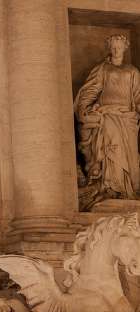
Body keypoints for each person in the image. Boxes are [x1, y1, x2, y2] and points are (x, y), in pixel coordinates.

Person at [75, 34, 140, 209]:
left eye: (119, 47)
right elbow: (91, 90)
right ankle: (111, 186)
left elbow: (138, 96)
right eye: (113, 47)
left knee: (131, 155)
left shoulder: (133, 71)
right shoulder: (102, 69)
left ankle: (128, 190)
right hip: (108, 114)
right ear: (109, 48)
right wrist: (84, 108)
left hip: (128, 118)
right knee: (113, 146)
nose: (116, 50)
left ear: (125, 48)